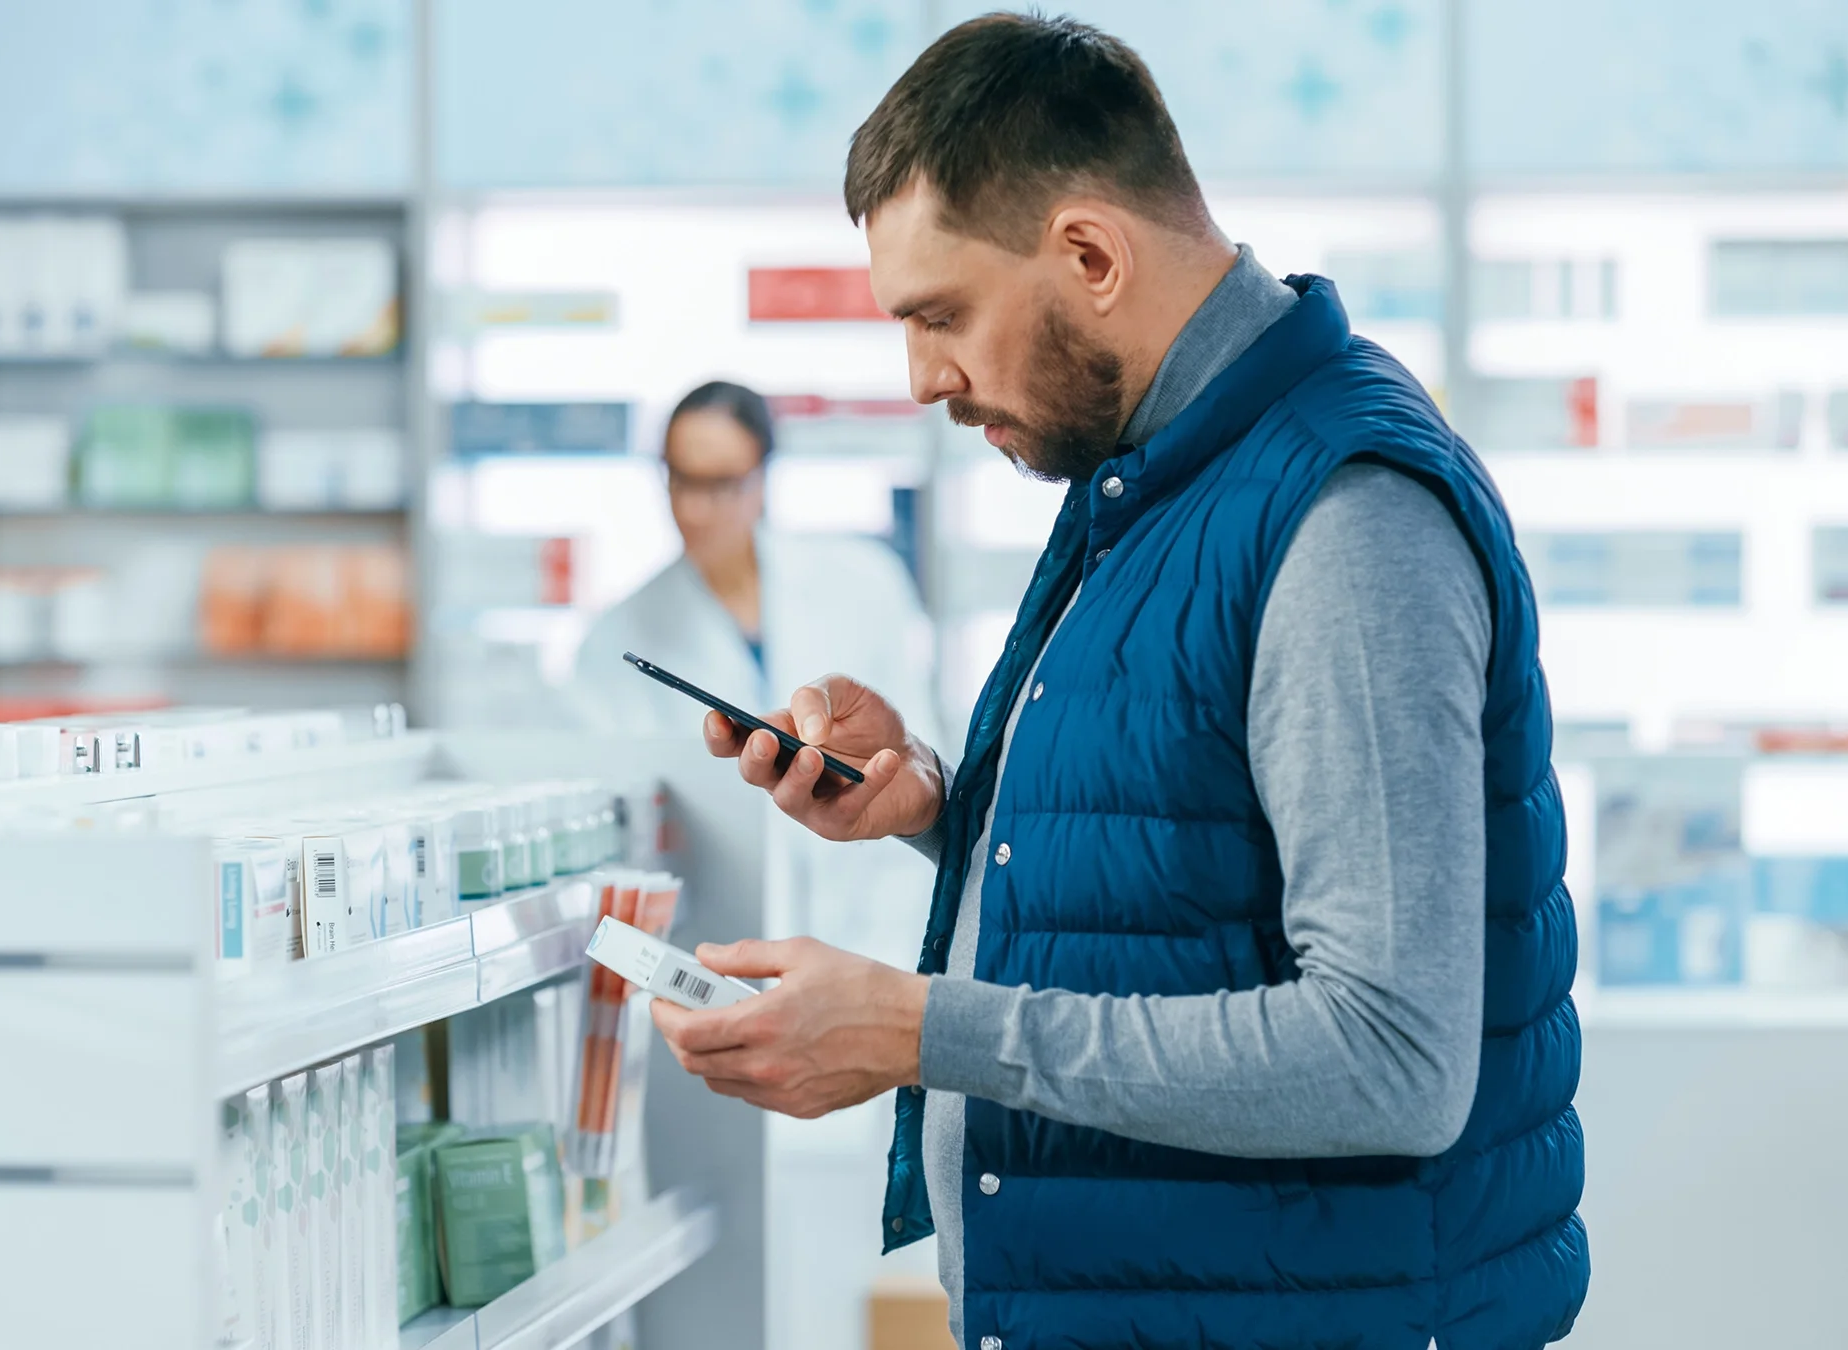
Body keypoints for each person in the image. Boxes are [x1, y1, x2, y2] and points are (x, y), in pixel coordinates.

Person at [647, 14, 1586, 1350]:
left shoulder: (1345, 518)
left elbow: (1389, 1055)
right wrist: (933, 807)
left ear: (1090, 254)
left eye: (941, 314)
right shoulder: (1154, 477)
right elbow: (1190, 868)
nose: (922, 379)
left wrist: (922, 1027)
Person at [568, 379, 938, 750]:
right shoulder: (611, 640)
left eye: (720, 484)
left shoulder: (865, 581)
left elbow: (918, 745)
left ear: (762, 477)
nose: (693, 510)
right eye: (681, 480)